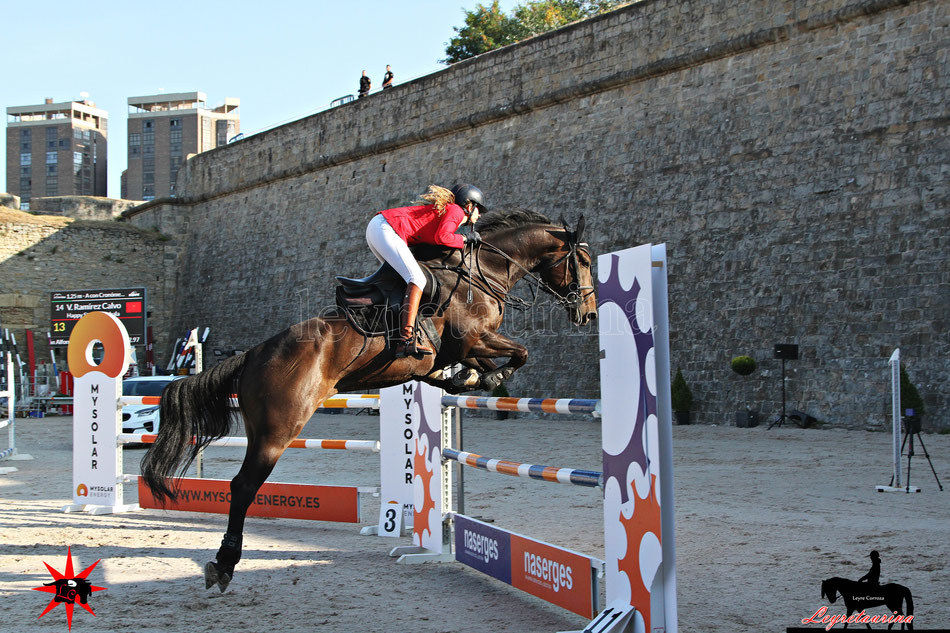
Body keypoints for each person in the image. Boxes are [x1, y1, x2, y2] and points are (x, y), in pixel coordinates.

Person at [366, 184, 487, 358]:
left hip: (380, 227)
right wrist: (465, 238)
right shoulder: (456, 211)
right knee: (417, 278)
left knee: (402, 281)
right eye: (479, 209)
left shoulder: (448, 211)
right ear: (469, 206)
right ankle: (406, 339)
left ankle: (389, 327)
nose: (480, 214)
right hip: (385, 228)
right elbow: (442, 237)